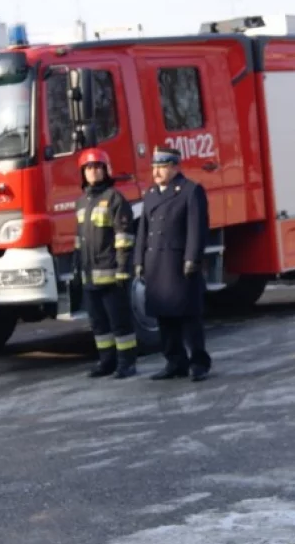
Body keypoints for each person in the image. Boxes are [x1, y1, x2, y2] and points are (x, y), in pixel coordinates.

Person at [134, 146, 211, 382]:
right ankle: (175, 361)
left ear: (175, 167)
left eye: (162, 167)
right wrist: (138, 261)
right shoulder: (150, 194)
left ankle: (198, 362)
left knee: (189, 317)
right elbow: (143, 230)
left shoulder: (190, 191)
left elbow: (197, 228)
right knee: (164, 317)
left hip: (178, 264)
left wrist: (192, 258)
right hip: (156, 264)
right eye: (154, 167)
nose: (156, 172)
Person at [75, 148, 137, 379]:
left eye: (97, 167)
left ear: (106, 170)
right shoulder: (81, 202)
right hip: (89, 276)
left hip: (112, 275)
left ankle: (127, 363)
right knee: (99, 324)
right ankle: (107, 362)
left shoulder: (114, 199)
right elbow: (79, 240)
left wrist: (122, 269)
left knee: (119, 322)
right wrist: (76, 269)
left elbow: (124, 238)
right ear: (83, 173)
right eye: (89, 168)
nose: (93, 172)